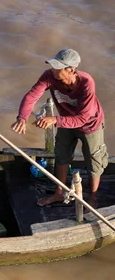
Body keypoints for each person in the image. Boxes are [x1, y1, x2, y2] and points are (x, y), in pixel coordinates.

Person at [11, 48, 108, 208]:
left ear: (71, 70)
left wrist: (54, 120)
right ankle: (59, 193)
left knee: (94, 162)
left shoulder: (86, 83)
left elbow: (82, 118)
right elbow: (32, 96)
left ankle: (93, 198)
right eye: (53, 65)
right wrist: (22, 117)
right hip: (65, 122)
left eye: (58, 67)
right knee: (61, 156)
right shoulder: (49, 76)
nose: (53, 69)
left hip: (90, 125)